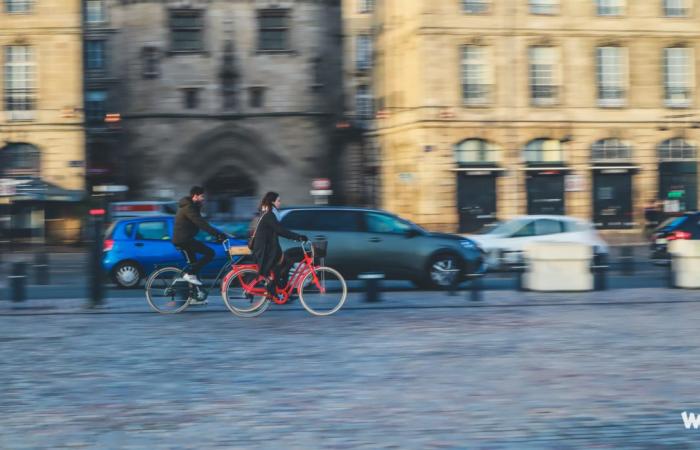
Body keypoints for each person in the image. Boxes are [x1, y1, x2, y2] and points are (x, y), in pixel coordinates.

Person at [250, 191, 308, 297]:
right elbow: (280, 230)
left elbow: (278, 231)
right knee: (286, 261)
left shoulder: (268, 213)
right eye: (278, 201)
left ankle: (281, 291)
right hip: (265, 250)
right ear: (272, 202)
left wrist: (295, 237)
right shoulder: (269, 215)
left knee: (286, 263)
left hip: (268, 248)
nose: (280, 203)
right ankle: (273, 288)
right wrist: (298, 237)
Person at [172, 186, 227, 286]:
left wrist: (215, 235)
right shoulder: (188, 207)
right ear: (195, 196)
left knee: (195, 266)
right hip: (183, 241)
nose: (203, 198)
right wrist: (218, 234)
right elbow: (201, 223)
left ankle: (195, 295)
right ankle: (188, 275)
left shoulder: (192, 206)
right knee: (210, 253)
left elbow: (201, 223)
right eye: (201, 196)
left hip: (186, 239)